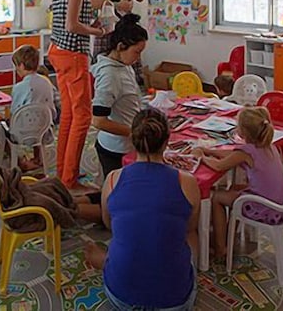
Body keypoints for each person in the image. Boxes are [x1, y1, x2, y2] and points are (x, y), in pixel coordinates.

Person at [83, 109, 200, 311]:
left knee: (123, 238)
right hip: (175, 301)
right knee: (189, 237)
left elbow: (109, 224)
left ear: (132, 139)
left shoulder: (112, 179)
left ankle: (111, 263)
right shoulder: (187, 182)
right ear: (167, 141)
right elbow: (189, 228)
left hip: (121, 298)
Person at [194, 106, 283, 260]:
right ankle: (228, 234)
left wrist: (201, 157)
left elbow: (219, 166)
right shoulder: (267, 144)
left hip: (265, 208)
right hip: (280, 203)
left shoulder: (247, 152)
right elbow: (233, 154)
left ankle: (220, 249)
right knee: (233, 189)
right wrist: (210, 151)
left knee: (216, 197)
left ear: (243, 132)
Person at [48, 0, 104, 191]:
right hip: (72, 53)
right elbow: (72, 25)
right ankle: (69, 179)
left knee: (69, 115)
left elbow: (67, 21)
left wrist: (89, 25)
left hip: (58, 50)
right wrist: (96, 31)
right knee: (82, 116)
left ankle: (64, 173)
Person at [91, 14, 148, 184]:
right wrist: (134, 132)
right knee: (117, 191)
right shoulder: (109, 75)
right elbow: (98, 121)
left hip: (127, 142)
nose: (138, 58)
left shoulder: (123, 65)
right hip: (115, 148)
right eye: (136, 52)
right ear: (120, 46)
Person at [6, 44, 58, 170]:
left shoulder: (19, 87)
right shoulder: (47, 82)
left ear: (21, 66)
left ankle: (20, 161)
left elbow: (14, 112)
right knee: (36, 117)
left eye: (16, 66)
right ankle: (38, 158)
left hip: (23, 134)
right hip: (45, 131)